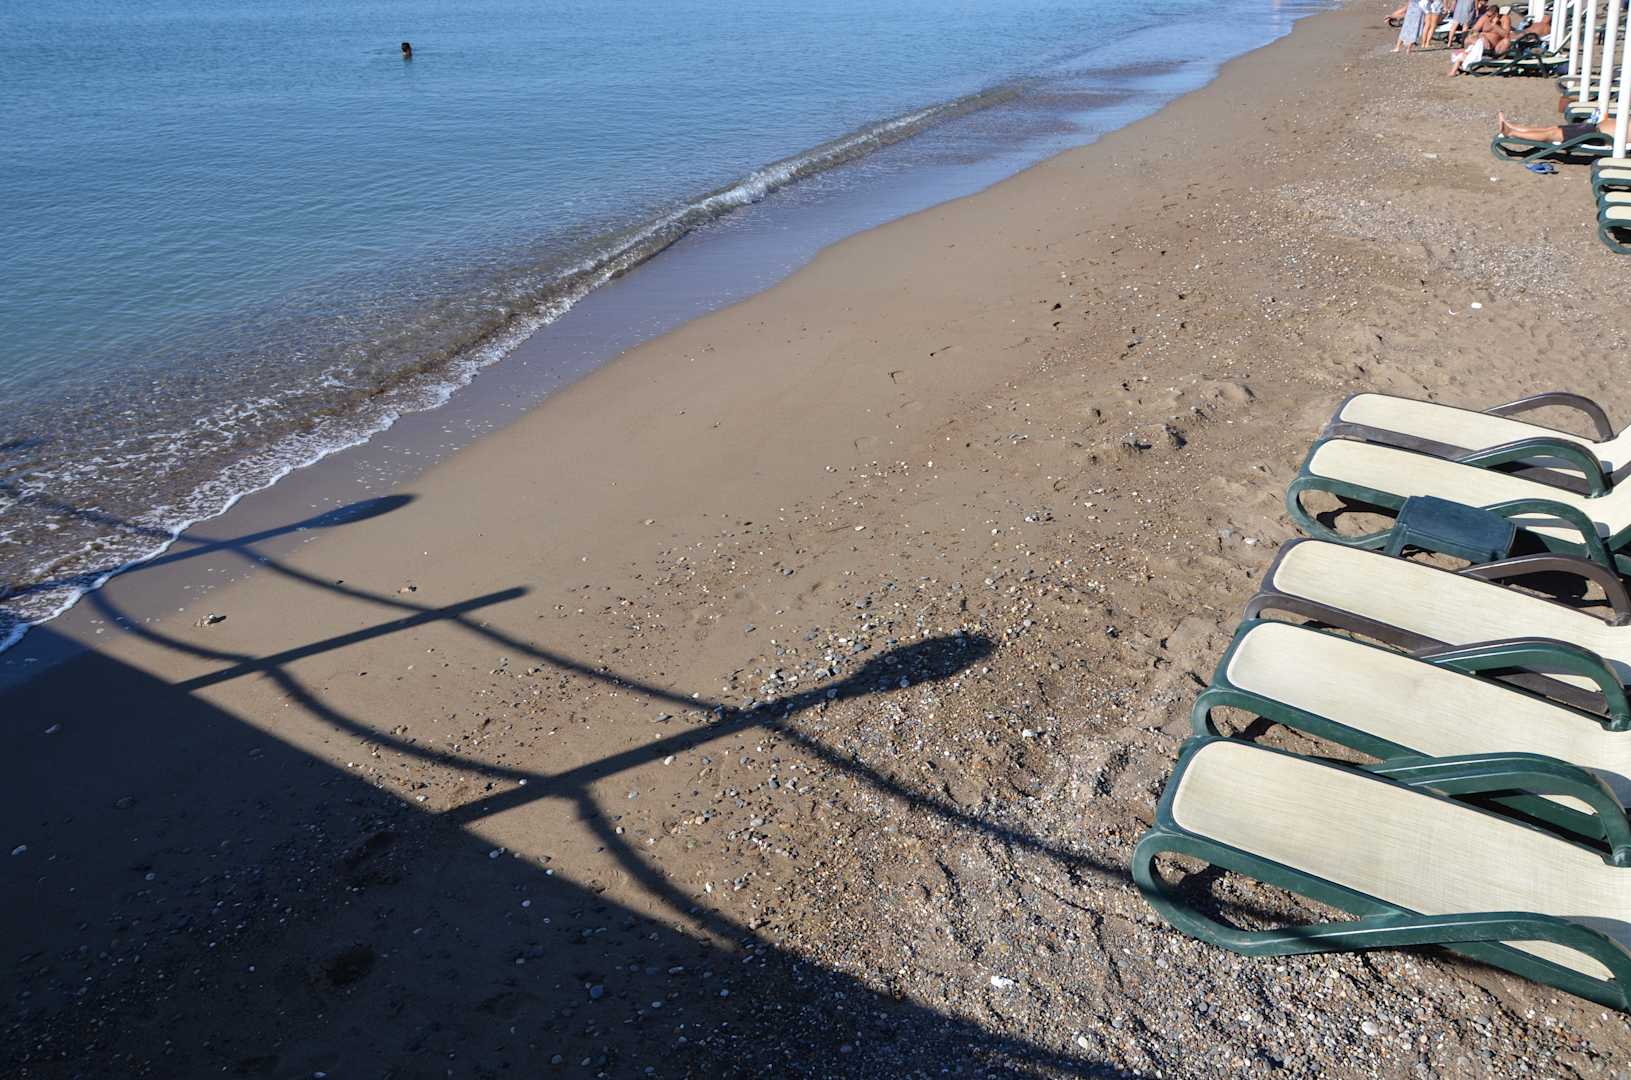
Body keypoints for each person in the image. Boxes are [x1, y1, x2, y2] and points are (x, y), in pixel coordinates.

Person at [1496, 110, 1613, 144]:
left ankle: (1511, 132)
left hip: (1598, 136)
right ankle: (1511, 127)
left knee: (1552, 134)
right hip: (1595, 128)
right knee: (1552, 129)